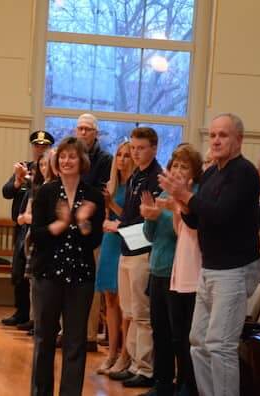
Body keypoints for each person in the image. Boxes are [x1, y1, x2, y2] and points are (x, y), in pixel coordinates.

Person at [159, 113, 260, 396]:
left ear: (239, 139)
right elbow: (197, 221)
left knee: (220, 344)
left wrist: (186, 195)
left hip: (235, 267)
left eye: (223, 135)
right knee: (199, 342)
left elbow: (221, 215)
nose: (216, 140)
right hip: (211, 266)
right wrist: (181, 199)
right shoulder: (212, 173)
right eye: (213, 135)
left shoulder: (244, 172)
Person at [30, 137, 105, 396]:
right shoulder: (46, 192)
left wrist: (83, 223)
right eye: (62, 156)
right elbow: (36, 234)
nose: (66, 161)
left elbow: (96, 239)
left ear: (82, 160)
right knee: (44, 339)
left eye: (72, 156)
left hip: (80, 277)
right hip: (47, 275)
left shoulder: (94, 196)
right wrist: (58, 226)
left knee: (75, 342)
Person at [143, 143, 203, 396]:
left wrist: (173, 209)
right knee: (160, 332)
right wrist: (149, 216)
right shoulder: (166, 194)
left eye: (184, 166)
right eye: (175, 165)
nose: (178, 170)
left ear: (194, 172)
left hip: (180, 274)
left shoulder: (193, 196)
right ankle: (162, 382)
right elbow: (149, 235)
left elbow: (185, 236)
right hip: (158, 268)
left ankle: (184, 384)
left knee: (180, 335)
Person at [108, 127, 163, 388]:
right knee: (128, 310)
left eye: (141, 148)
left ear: (154, 148)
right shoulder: (135, 176)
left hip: (143, 251)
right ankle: (132, 363)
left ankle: (145, 368)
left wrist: (119, 227)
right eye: (133, 148)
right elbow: (130, 214)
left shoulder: (156, 177)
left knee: (142, 314)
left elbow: (147, 221)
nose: (135, 153)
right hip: (126, 249)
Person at [1, 130, 55, 327]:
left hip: (36, 228)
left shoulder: (49, 171)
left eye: (44, 146)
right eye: (37, 146)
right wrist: (17, 180)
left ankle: (33, 317)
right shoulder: (23, 168)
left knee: (30, 270)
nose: (40, 149)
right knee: (18, 271)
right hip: (21, 227)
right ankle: (21, 311)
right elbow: (6, 192)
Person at [73, 113, 113, 351]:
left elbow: (100, 192)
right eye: (80, 128)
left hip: (93, 225)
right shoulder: (71, 155)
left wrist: (80, 202)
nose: (83, 132)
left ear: (96, 133)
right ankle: (68, 331)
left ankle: (88, 335)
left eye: (88, 129)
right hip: (71, 225)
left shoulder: (105, 159)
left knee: (91, 282)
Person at [95, 141, 134, 374]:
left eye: (127, 155)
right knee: (110, 300)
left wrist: (111, 205)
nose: (122, 159)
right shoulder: (113, 184)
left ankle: (125, 354)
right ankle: (110, 353)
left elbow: (131, 218)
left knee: (124, 303)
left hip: (127, 243)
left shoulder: (135, 185)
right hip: (110, 242)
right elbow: (109, 216)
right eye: (119, 155)